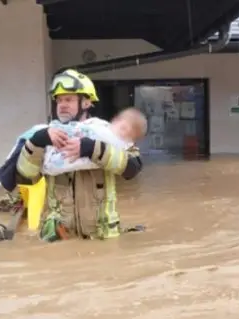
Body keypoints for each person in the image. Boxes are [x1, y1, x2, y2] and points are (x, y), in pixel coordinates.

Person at [10, 69, 145, 241]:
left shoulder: (105, 133)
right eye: (59, 100)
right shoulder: (47, 136)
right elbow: (25, 177)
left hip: (100, 238)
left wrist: (90, 148)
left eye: (69, 100)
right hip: (60, 236)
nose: (62, 105)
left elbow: (132, 168)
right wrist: (36, 142)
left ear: (86, 103)